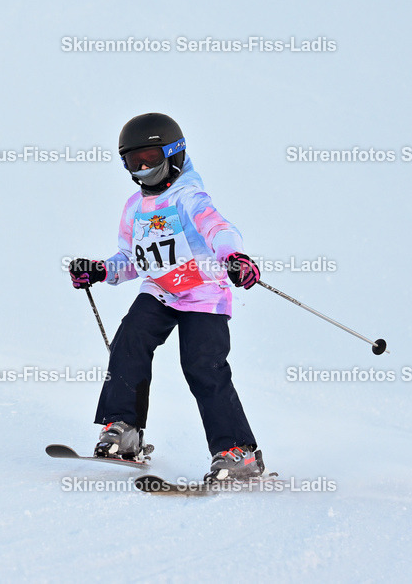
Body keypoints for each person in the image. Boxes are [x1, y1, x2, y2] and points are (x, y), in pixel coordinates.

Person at [68, 112, 266, 482]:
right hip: (160, 291)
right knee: (129, 341)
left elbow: (219, 228)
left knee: (201, 365)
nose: (142, 168)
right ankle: (123, 429)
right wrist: (99, 270)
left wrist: (234, 257)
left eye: (151, 158)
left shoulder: (190, 197)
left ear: (174, 154)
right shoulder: (134, 207)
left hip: (203, 291)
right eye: (133, 161)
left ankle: (237, 451)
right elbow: (129, 260)